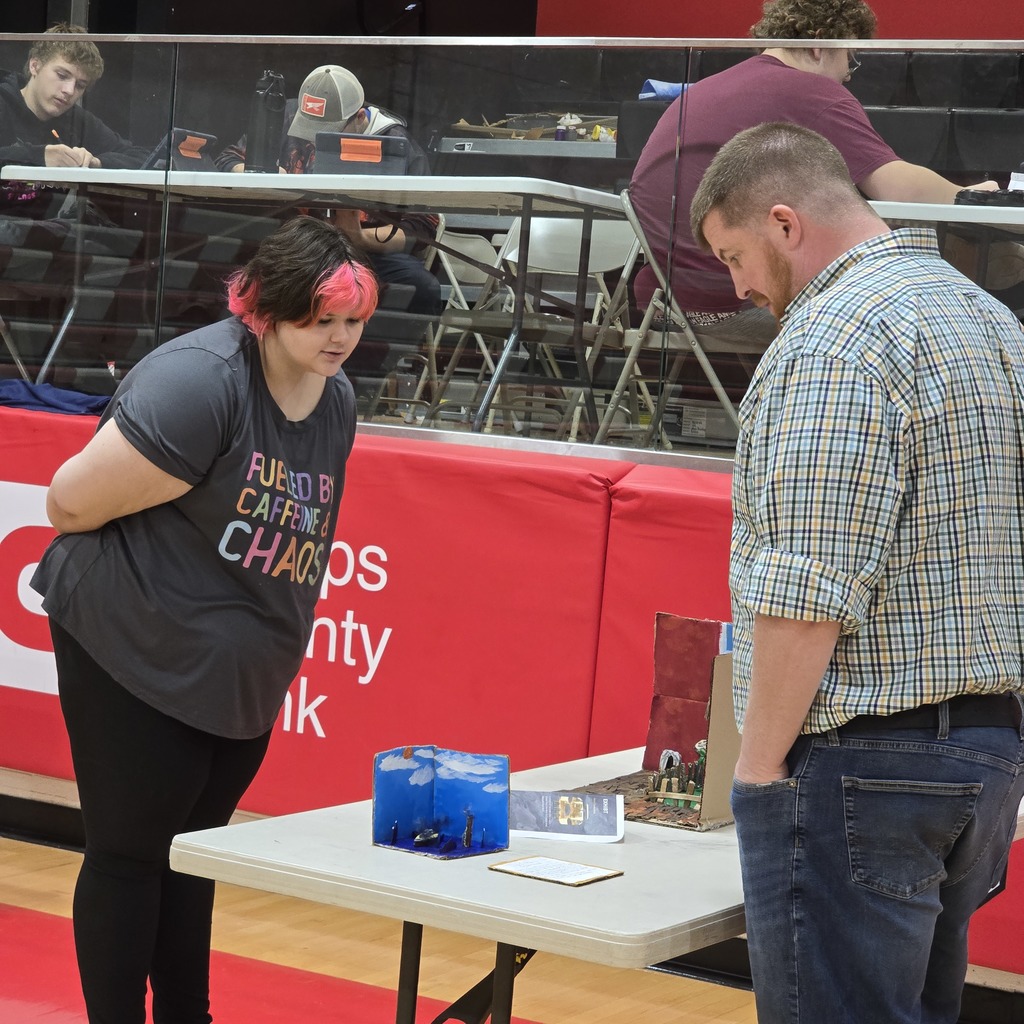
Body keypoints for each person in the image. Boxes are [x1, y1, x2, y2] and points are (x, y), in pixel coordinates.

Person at [690, 120, 1024, 1023]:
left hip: (861, 758)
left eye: (735, 254)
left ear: (787, 221)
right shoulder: (988, 318)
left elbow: (808, 586)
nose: (742, 285)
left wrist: (757, 778)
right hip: (985, 753)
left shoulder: (833, 342)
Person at [30, 215, 378, 1023]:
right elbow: (68, 503)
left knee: (192, 857)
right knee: (129, 854)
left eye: (353, 322)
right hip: (132, 641)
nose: (339, 339)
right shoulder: (200, 381)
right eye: (319, 320)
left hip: (237, 666)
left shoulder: (338, 401)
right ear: (267, 309)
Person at [629, 0, 1002, 347]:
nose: (848, 76)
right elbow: (896, 185)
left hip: (665, 302)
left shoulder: (708, 89)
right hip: (737, 306)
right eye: (849, 59)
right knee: (944, 313)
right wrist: (975, 194)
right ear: (819, 45)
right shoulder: (808, 90)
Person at [216, 64, 440, 314]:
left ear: (359, 118)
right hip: (298, 245)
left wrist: (360, 239)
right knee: (239, 272)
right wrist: (265, 173)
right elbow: (228, 158)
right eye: (308, 129)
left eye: (326, 132)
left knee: (422, 287)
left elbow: (423, 226)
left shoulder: (396, 142)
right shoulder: (286, 114)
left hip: (368, 254)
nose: (313, 139)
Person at [0, 22, 146, 169]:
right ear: (35, 66)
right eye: (62, 76)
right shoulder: (3, 103)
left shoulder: (78, 122)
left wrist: (96, 162)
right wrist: (38, 156)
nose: (69, 91)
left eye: (80, 85)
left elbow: (143, 158)